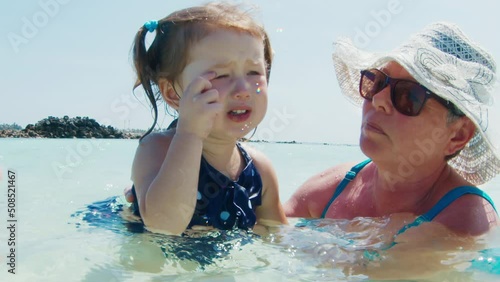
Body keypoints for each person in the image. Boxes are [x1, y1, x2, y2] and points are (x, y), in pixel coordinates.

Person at [284, 22, 499, 238]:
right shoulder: (335, 185)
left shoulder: (465, 220)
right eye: (376, 82)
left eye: (408, 96)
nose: (378, 99)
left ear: (458, 135)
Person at [129, 2, 287, 235]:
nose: (242, 89)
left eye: (254, 72)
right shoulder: (156, 149)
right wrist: (190, 135)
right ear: (173, 93)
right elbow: (163, 225)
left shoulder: (260, 170)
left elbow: (280, 235)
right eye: (221, 75)